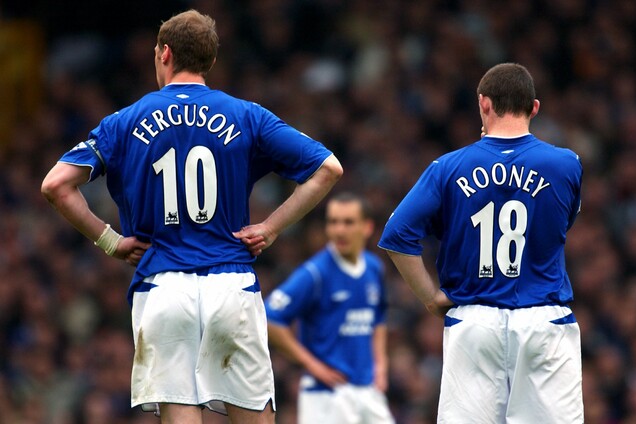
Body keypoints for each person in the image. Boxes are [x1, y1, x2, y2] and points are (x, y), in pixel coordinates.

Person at [41, 9, 342, 424]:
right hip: (231, 284)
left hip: (163, 287)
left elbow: (56, 185)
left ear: (164, 53)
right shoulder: (248, 115)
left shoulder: (123, 121)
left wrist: (111, 242)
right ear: (211, 60)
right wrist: (271, 228)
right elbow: (328, 168)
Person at [378, 63, 584, 422]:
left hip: (473, 321)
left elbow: (397, 236)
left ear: (483, 104)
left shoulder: (447, 167)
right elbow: (561, 225)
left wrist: (430, 298)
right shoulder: (566, 164)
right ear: (534, 108)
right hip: (544, 321)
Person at [264, 192, 394, 424]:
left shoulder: (373, 268)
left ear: (367, 227)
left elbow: (378, 319)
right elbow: (270, 318)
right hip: (326, 395)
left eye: (348, 222)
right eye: (333, 222)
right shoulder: (315, 273)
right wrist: (312, 365)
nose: (339, 230)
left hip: (368, 390)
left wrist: (381, 365)